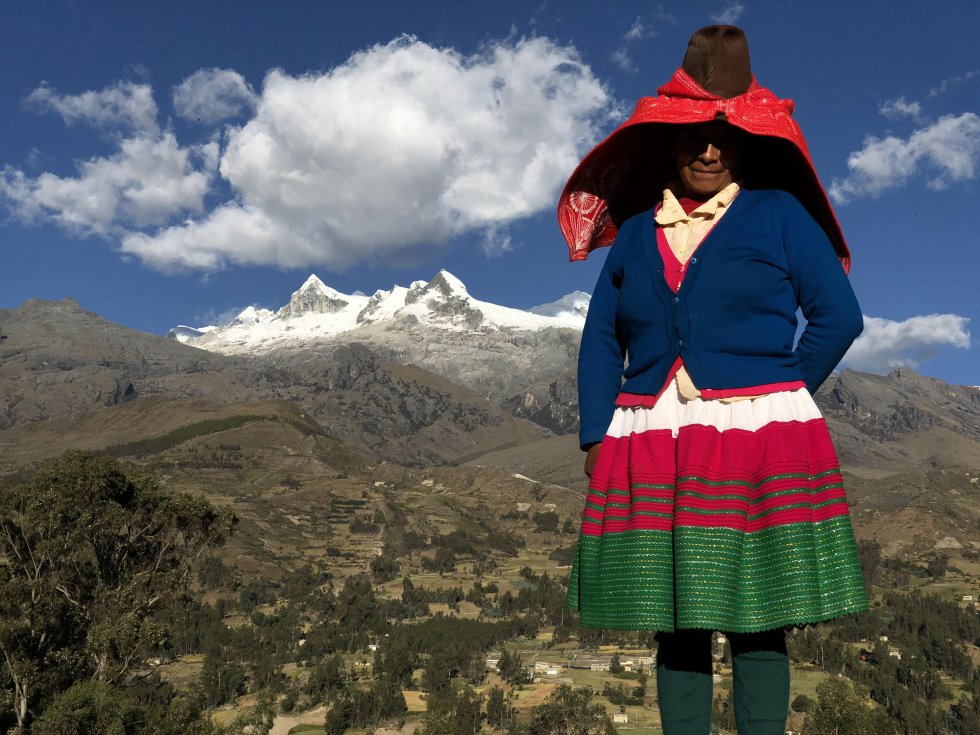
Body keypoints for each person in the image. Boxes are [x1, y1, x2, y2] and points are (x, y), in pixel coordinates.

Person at [557, 26, 867, 735]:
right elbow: (602, 336)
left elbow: (836, 317)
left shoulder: (778, 217)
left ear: (745, 146)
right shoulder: (638, 233)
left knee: (758, 616)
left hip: (756, 437)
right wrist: (596, 434)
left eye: (722, 137)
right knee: (678, 615)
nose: (707, 149)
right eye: (695, 135)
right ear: (670, 141)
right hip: (652, 434)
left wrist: (781, 393)